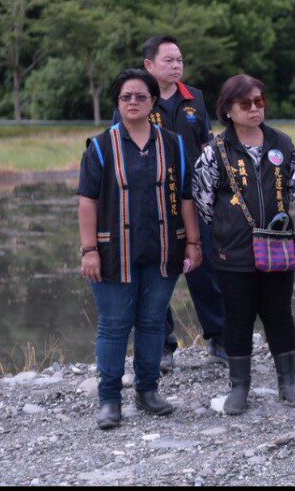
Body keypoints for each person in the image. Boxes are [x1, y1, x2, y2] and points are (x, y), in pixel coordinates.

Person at [78, 68, 203, 430]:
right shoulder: (101, 146)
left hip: (164, 249)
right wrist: (89, 250)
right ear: (117, 103)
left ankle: (148, 391)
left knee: (152, 323)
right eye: (126, 97)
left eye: (141, 97)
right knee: (114, 326)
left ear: (153, 102)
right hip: (113, 252)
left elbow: (187, 196)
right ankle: (109, 399)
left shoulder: (173, 143)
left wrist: (193, 243)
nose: (133, 102)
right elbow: (87, 201)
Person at [192, 74, 295, 415]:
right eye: (246, 104)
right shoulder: (216, 150)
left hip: (278, 247)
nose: (255, 109)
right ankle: (239, 387)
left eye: (259, 102)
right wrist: (227, 231)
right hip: (234, 251)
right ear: (228, 109)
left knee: (279, 314)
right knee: (237, 318)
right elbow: (202, 199)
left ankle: (289, 382)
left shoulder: (282, 143)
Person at [112, 36, 225, 372]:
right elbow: (121, 146)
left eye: (179, 60)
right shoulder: (138, 99)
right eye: (169, 60)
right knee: (155, 273)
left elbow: (207, 145)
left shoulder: (195, 99)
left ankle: (219, 339)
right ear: (149, 65)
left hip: (195, 198)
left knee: (205, 270)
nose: (176, 66)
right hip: (152, 202)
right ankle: (162, 345)